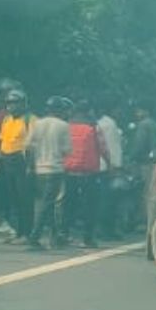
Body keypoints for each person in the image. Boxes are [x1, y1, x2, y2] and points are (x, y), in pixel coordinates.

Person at [25, 96, 72, 249]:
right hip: (55, 168)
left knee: (46, 203)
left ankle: (55, 236)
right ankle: (34, 237)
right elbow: (67, 150)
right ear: (60, 110)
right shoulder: (63, 125)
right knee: (46, 204)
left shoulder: (37, 123)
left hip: (39, 169)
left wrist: (31, 165)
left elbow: (28, 146)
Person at [64, 99, 108, 248]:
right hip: (89, 173)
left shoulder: (68, 126)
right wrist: (109, 164)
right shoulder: (93, 127)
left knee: (68, 205)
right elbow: (103, 148)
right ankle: (88, 238)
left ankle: (63, 234)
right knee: (90, 207)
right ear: (89, 111)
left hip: (69, 171)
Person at [0, 88, 35, 241]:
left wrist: (31, 166)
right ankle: (17, 231)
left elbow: (33, 144)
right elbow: (2, 141)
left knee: (24, 198)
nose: (12, 106)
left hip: (22, 161)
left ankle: (27, 232)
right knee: (11, 198)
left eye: (16, 103)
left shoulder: (30, 120)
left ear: (23, 104)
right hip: (6, 161)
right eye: (9, 103)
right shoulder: (6, 119)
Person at [95, 97, 124, 238]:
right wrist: (116, 166)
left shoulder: (98, 123)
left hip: (96, 166)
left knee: (101, 199)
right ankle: (107, 230)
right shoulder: (110, 124)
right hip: (109, 167)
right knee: (110, 200)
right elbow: (113, 148)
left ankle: (102, 228)